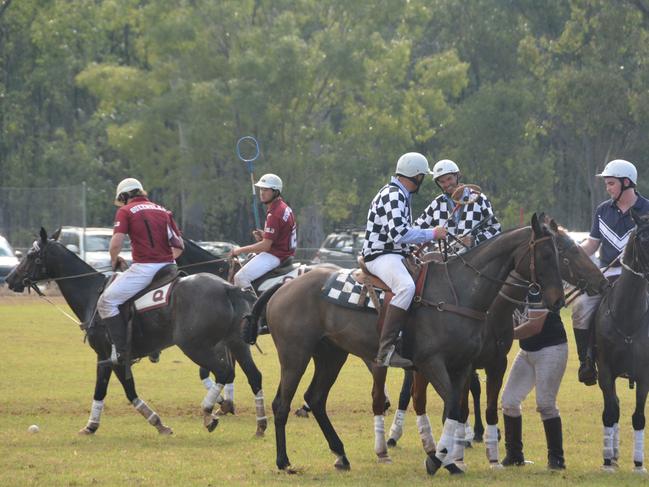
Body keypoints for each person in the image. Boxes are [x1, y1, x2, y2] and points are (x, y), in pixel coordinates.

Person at [362, 152, 446, 368]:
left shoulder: (400, 194)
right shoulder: (393, 195)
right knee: (406, 287)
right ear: (417, 176)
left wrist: (417, 245)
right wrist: (432, 234)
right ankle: (387, 349)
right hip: (380, 255)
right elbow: (398, 234)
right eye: (422, 177)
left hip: (394, 254)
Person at [571, 159, 649, 385]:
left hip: (643, 276)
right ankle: (586, 361)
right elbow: (592, 246)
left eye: (611, 183)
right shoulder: (602, 210)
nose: (608, 188)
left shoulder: (647, 209)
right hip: (607, 275)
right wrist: (571, 253)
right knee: (580, 307)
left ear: (627, 183)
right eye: (607, 184)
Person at [97, 178, 184, 364]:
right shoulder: (163, 211)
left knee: (106, 302)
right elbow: (179, 246)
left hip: (145, 268)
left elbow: (115, 244)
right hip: (169, 267)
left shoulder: (125, 211)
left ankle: (121, 353)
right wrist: (166, 259)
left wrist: (114, 260)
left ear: (125, 196)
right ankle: (154, 345)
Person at [500, 286, 567, 470]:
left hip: (551, 349)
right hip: (527, 351)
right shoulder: (512, 290)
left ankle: (557, 458)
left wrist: (504, 334)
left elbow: (534, 326)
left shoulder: (536, 289)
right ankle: (514, 455)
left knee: (546, 403)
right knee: (509, 401)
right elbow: (512, 320)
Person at [230, 173, 297, 295]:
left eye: (266, 190)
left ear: (276, 192)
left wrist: (239, 250)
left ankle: (252, 310)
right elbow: (281, 234)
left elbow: (265, 246)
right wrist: (265, 235)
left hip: (276, 255)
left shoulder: (275, 213)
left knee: (240, 278)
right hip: (283, 251)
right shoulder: (283, 207)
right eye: (261, 189)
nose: (262, 192)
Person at [415, 159, 501, 248]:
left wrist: (474, 240)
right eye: (442, 182)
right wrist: (434, 246)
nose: (447, 184)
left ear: (458, 176)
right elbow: (417, 229)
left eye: (449, 179)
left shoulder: (478, 198)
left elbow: (496, 228)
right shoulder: (436, 203)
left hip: (475, 257)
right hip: (446, 259)